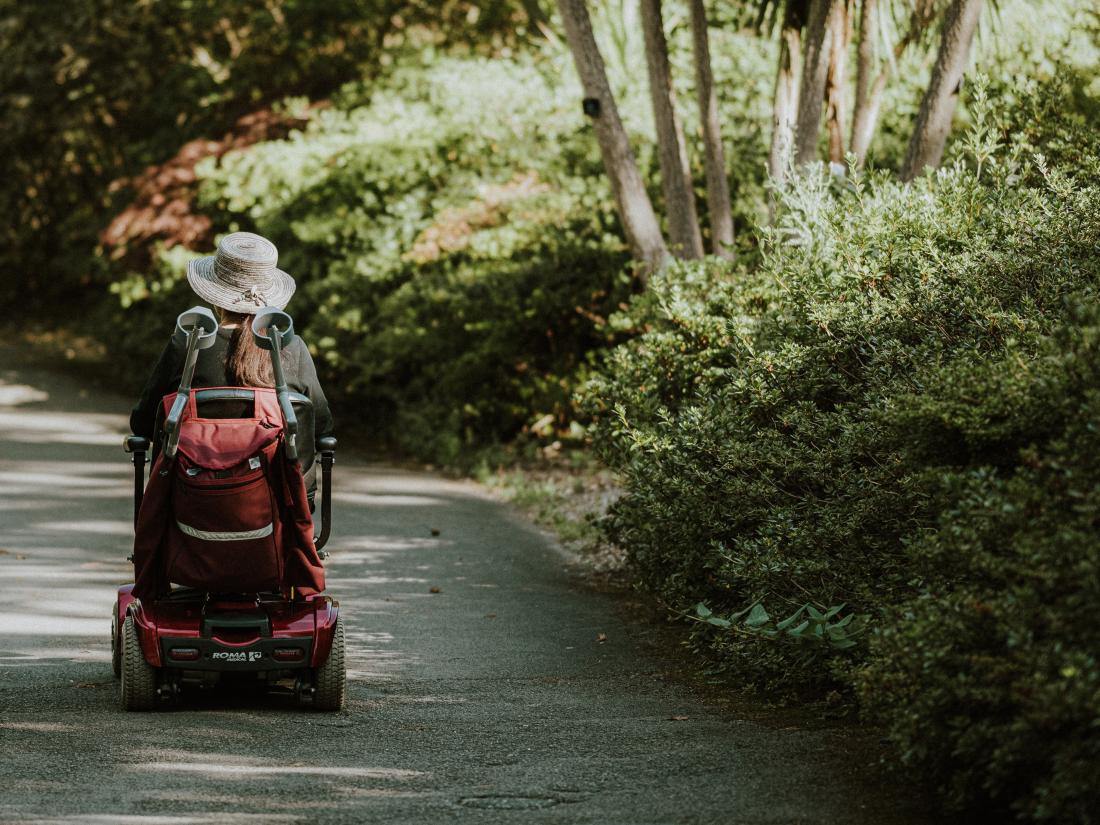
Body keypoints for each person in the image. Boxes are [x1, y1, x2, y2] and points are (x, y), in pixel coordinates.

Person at [130, 231, 334, 494]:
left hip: (189, 497)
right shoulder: (291, 348)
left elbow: (143, 423)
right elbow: (322, 427)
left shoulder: (186, 346)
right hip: (278, 501)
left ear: (215, 296)